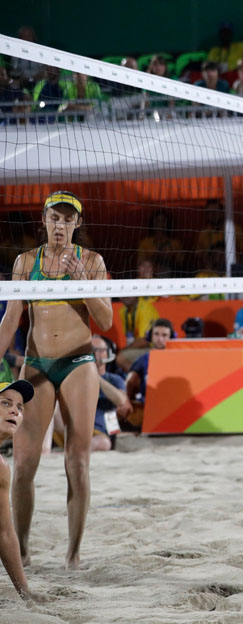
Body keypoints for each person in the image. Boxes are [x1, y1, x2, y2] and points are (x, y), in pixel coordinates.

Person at [0, 191, 112, 570]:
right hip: (37, 363)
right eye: (54, 218)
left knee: (77, 462)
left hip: (78, 362)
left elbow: (107, 321)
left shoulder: (91, 261)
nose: (60, 225)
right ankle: (24, 549)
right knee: (24, 463)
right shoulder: (25, 262)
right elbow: (11, 319)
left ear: (77, 224)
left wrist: (84, 284)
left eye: (67, 219)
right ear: (44, 220)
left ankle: (73, 555)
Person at [0, 380, 41, 602]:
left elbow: (5, 534)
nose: (15, 410)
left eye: (19, 407)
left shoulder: (2, 468)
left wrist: (26, 593)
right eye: (5, 403)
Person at [125, 318, 173, 430]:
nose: (160, 339)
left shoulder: (179, 359)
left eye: (164, 335)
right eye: (156, 334)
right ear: (150, 336)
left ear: (171, 337)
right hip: (148, 408)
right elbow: (129, 383)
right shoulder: (143, 360)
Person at [89, 335, 129, 452]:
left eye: (100, 350)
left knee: (104, 443)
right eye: (91, 350)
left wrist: (95, 376)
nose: (95, 354)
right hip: (73, 428)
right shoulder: (77, 378)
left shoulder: (115, 380)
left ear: (108, 353)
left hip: (99, 431)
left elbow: (122, 401)